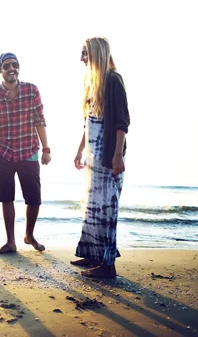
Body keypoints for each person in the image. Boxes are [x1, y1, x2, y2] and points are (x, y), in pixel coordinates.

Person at [70, 37, 129, 279]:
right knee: (92, 209)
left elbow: (122, 122)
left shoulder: (113, 80)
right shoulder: (92, 83)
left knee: (107, 212)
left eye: (85, 53)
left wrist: (117, 155)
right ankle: (93, 254)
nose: (81, 58)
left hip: (108, 158)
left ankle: (107, 267)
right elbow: (88, 123)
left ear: (96, 54)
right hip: (92, 157)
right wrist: (79, 149)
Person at [0, 52, 51, 254]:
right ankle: (11, 241)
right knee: (6, 197)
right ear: (0, 70)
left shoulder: (31, 90)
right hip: (2, 152)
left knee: (34, 198)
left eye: (15, 65)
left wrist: (46, 149)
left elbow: (40, 120)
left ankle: (29, 235)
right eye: (7, 66)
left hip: (28, 150)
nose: (11, 69)